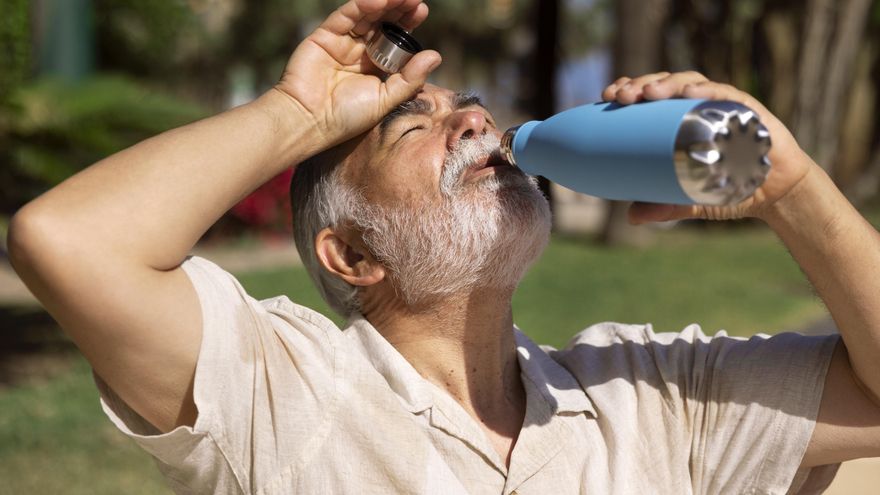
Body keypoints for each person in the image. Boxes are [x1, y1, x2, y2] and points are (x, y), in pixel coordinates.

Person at [8, 0, 880, 493]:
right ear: (352, 255)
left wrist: (791, 190)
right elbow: (68, 241)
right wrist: (299, 115)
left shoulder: (653, 396)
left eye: (468, 107)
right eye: (411, 126)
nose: (476, 119)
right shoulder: (282, 393)